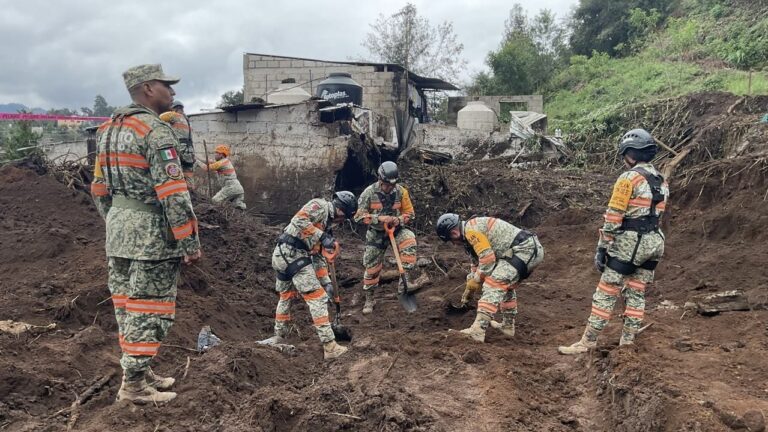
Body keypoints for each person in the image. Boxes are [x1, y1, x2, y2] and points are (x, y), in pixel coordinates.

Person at [90, 64, 202, 404]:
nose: (173, 92)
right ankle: (134, 387)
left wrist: (117, 221)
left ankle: (140, 370)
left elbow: (98, 188)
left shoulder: (107, 130)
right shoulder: (155, 132)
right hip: (152, 235)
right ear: (149, 89)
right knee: (150, 309)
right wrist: (189, 241)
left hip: (119, 232)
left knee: (127, 307)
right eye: (168, 86)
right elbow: (173, 193)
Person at [558, 129, 668, 354]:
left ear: (630, 154)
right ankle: (627, 342)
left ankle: (588, 341)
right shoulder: (661, 180)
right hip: (654, 242)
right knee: (636, 292)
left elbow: (614, 215)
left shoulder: (628, 178)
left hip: (630, 244)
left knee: (606, 291)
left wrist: (603, 247)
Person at [258, 192, 358, 359]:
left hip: (284, 255)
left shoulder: (325, 225)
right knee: (317, 299)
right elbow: (298, 220)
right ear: (340, 211)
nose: (342, 222)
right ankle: (330, 347)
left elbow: (318, 256)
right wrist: (323, 236)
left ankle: (279, 336)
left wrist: (326, 281)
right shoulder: (320, 206)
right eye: (344, 218)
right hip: (292, 254)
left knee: (286, 297)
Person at [436, 214, 544, 342]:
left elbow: (487, 260)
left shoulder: (471, 231)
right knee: (505, 285)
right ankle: (507, 327)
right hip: (523, 250)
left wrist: (476, 280)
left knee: (494, 282)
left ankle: (478, 330)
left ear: (454, 233)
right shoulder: (468, 236)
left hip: (525, 249)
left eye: (451, 240)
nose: (454, 244)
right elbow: (477, 263)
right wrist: (469, 288)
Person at [353, 161, 428, 315]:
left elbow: (410, 213)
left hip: (397, 230)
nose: (389, 188)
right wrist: (379, 219)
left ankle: (403, 286)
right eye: (386, 185)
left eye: (392, 185)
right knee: (372, 267)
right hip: (376, 233)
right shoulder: (368, 193)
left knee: (410, 240)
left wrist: (398, 220)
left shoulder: (401, 192)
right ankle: (370, 298)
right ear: (380, 180)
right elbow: (358, 217)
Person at [159, 100, 195, 187]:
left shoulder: (174, 115)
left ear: (174, 109)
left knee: (172, 170)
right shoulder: (187, 119)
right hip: (189, 151)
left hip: (179, 148)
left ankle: (176, 191)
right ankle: (191, 193)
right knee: (188, 174)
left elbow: (159, 118)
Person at [200, 144, 246, 209]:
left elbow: (206, 168)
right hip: (238, 189)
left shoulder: (221, 163)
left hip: (231, 187)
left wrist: (196, 162)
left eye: (216, 153)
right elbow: (210, 162)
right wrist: (197, 158)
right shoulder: (224, 162)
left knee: (215, 200)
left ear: (221, 155)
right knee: (237, 206)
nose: (215, 154)